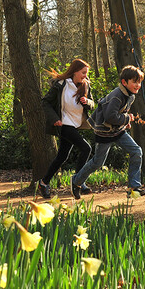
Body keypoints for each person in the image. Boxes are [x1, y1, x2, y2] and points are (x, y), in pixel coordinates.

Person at [70, 65, 145, 200]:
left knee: (136, 151)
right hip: (104, 132)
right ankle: (76, 181)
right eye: (134, 82)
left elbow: (120, 112)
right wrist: (127, 118)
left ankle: (133, 187)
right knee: (97, 163)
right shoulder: (117, 96)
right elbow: (110, 117)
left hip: (118, 131)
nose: (138, 85)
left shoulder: (130, 95)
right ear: (125, 82)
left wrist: (125, 120)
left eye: (139, 82)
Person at [38, 59, 95, 199]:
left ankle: (43, 183)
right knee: (86, 148)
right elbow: (45, 102)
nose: (85, 76)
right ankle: (78, 181)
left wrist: (87, 102)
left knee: (62, 156)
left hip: (75, 124)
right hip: (64, 124)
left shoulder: (85, 85)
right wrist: (54, 119)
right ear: (75, 71)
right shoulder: (61, 85)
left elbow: (93, 104)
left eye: (86, 73)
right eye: (83, 73)